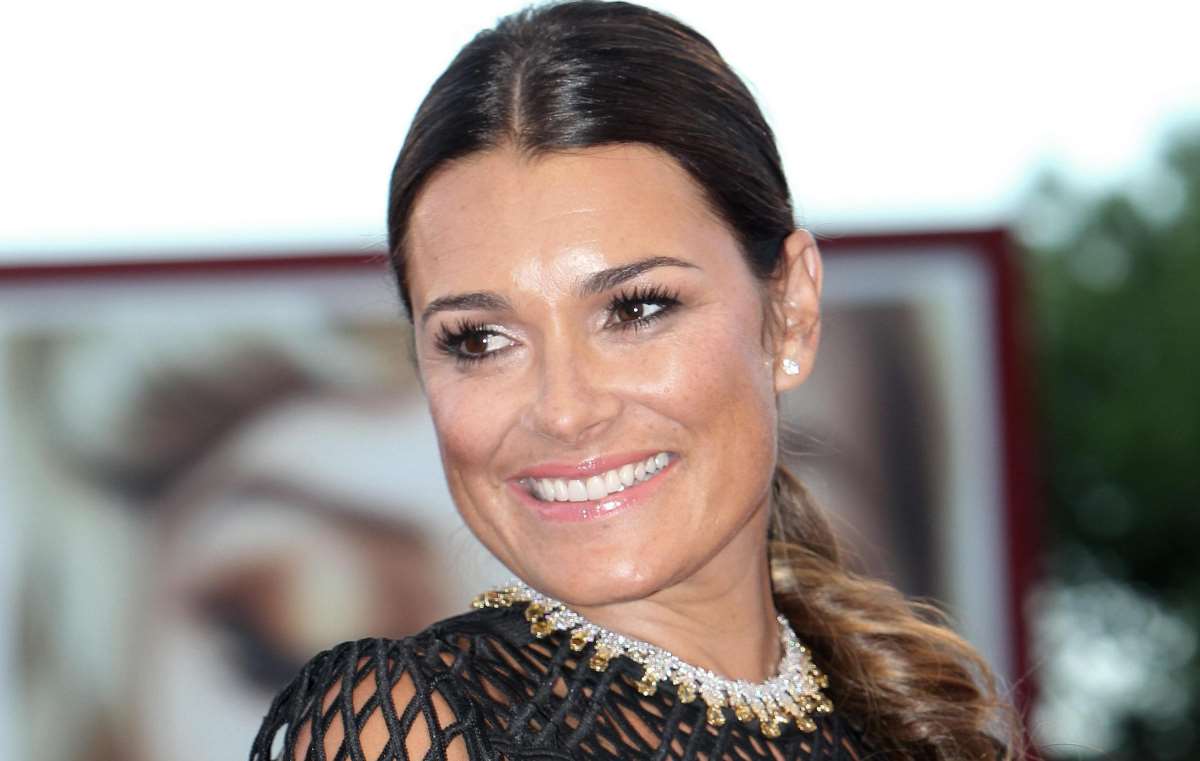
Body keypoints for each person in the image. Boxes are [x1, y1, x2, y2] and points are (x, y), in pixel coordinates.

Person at [248, 2, 1023, 759]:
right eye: (480, 339)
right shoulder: (408, 727)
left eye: (636, 309)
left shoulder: (915, 733)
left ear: (790, 312)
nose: (565, 410)